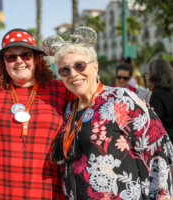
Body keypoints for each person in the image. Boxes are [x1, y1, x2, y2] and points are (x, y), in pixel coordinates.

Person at [43, 26, 173, 199]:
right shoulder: (69, 110)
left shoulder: (121, 98)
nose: (73, 74)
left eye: (79, 66)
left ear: (95, 66)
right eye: (65, 70)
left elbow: (158, 150)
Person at [0, 28, 75, 199]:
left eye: (25, 55)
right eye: (11, 57)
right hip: (0, 192)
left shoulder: (60, 90)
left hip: (47, 192)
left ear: (36, 59)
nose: (19, 61)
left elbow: (91, 102)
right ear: (3, 62)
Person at [145, 58, 173, 142]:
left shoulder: (156, 95)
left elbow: (154, 125)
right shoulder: (169, 93)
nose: (146, 76)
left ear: (153, 75)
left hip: (165, 144)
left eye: (147, 73)